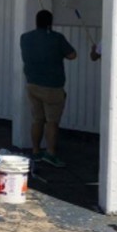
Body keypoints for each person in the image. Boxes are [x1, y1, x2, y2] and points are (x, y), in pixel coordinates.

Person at [20, 10, 76, 167]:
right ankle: (50, 153)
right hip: (52, 86)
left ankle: (36, 151)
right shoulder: (57, 38)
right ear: (50, 22)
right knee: (52, 121)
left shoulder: (25, 38)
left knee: (38, 119)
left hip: (32, 84)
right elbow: (72, 55)